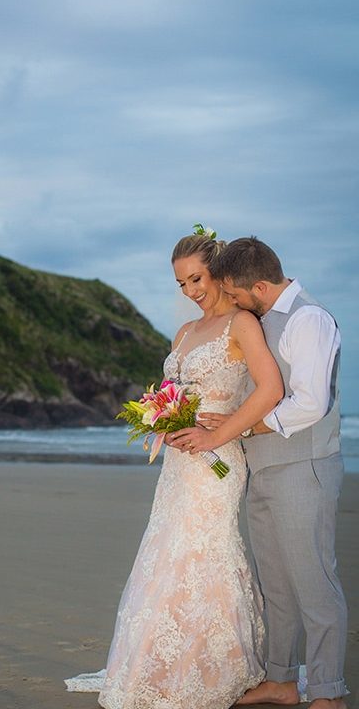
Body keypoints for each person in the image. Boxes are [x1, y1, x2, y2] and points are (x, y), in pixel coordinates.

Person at [65, 230, 283, 709]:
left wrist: (216, 434)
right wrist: (160, 419)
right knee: (166, 550)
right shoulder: (184, 333)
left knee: (205, 551)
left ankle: (215, 665)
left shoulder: (243, 323)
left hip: (217, 461)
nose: (191, 291)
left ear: (218, 272)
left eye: (197, 278)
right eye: (182, 283)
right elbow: (172, 391)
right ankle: (161, 661)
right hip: (178, 464)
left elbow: (270, 391)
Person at [172, 237, 348, 709]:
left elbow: (310, 402)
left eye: (234, 292)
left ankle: (329, 691)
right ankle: (283, 681)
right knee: (276, 583)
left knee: (314, 581)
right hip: (264, 469)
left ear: (261, 286)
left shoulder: (308, 320)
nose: (231, 302)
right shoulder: (263, 319)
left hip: (303, 465)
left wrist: (239, 431)